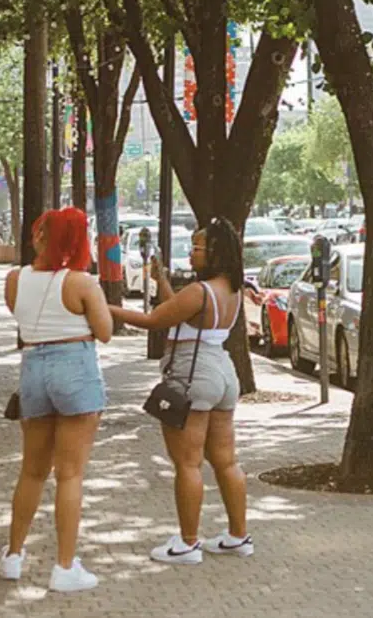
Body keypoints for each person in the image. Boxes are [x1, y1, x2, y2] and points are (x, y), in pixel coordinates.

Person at [111, 217, 251, 565]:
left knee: (188, 463)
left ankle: (188, 543)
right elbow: (185, 315)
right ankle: (238, 536)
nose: (191, 253)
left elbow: (155, 320)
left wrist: (102, 308)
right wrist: (160, 280)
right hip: (222, 370)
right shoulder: (230, 290)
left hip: (192, 372)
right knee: (226, 460)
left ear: (214, 251)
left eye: (198, 247)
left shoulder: (199, 291)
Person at [0, 207, 114, 593]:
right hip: (75, 367)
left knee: (31, 470)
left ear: (42, 236)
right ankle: (65, 567)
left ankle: (13, 555)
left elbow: (21, 315)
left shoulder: (15, 279)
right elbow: (105, 331)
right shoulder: (81, 283)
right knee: (70, 474)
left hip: (33, 366)